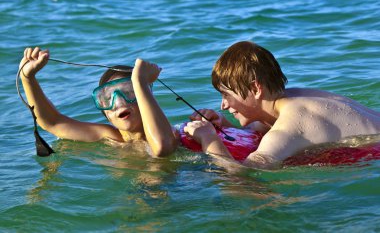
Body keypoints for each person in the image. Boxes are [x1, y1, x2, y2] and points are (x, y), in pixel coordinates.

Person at [184, 41, 380, 169]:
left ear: (255, 88)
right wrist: (224, 126)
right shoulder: (295, 98)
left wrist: (210, 140)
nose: (223, 105)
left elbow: (244, 176)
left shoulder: (288, 127)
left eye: (226, 95)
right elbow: (269, 127)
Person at [19, 47, 178, 157]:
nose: (119, 102)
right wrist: (27, 78)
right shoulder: (110, 137)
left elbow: (162, 148)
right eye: (107, 98)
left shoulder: (174, 133)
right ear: (105, 113)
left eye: (129, 91)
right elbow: (52, 123)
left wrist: (140, 81)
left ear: (145, 97)